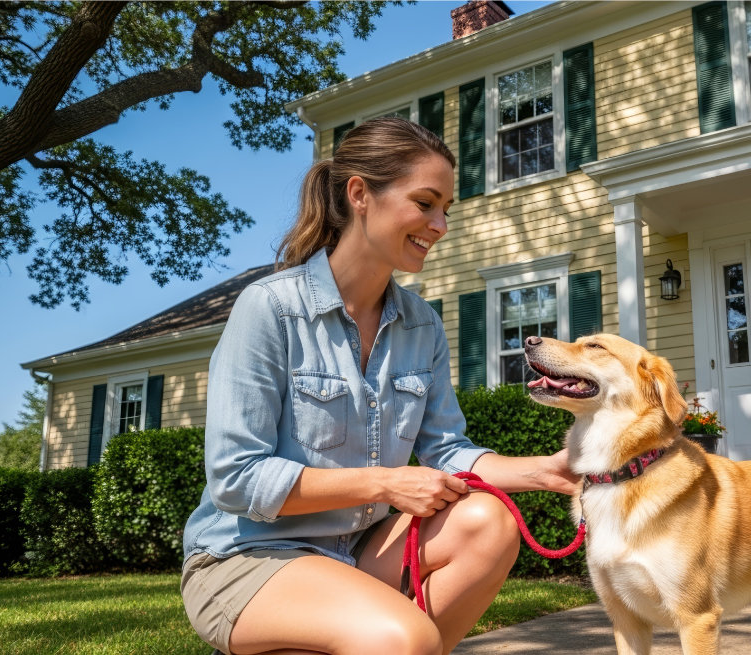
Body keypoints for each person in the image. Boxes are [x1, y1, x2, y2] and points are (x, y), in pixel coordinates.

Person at [180, 117, 580, 655]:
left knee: (490, 524)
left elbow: (447, 451)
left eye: (446, 210)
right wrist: (385, 482)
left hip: (360, 547)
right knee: (404, 638)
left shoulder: (423, 325)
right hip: (246, 555)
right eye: (425, 203)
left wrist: (545, 471)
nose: (439, 224)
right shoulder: (271, 307)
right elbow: (237, 478)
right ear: (360, 194)